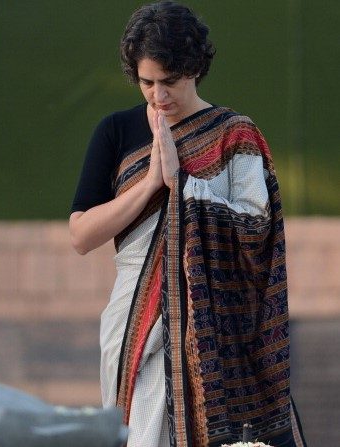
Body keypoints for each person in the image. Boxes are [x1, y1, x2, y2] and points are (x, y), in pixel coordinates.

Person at [69, 2, 307, 446]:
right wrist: (152, 183)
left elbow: (258, 231)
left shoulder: (234, 134)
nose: (159, 96)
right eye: (147, 82)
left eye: (170, 82)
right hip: (136, 323)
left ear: (195, 68)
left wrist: (187, 187)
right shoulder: (115, 132)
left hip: (218, 333)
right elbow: (82, 235)